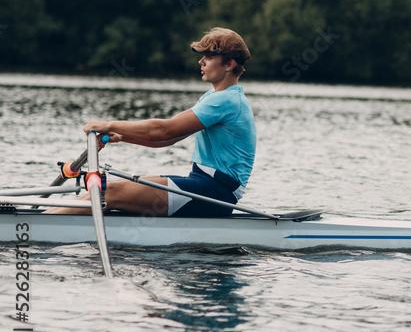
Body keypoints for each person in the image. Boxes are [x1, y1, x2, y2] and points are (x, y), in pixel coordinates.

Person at [47, 28, 256, 217]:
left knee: (109, 192)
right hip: (204, 184)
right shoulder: (216, 97)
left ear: (229, 64)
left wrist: (110, 125)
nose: (200, 62)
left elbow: (163, 130)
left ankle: (37, 224)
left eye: (209, 57)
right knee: (106, 188)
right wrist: (122, 137)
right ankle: (45, 216)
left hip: (214, 193)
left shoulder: (226, 100)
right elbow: (167, 140)